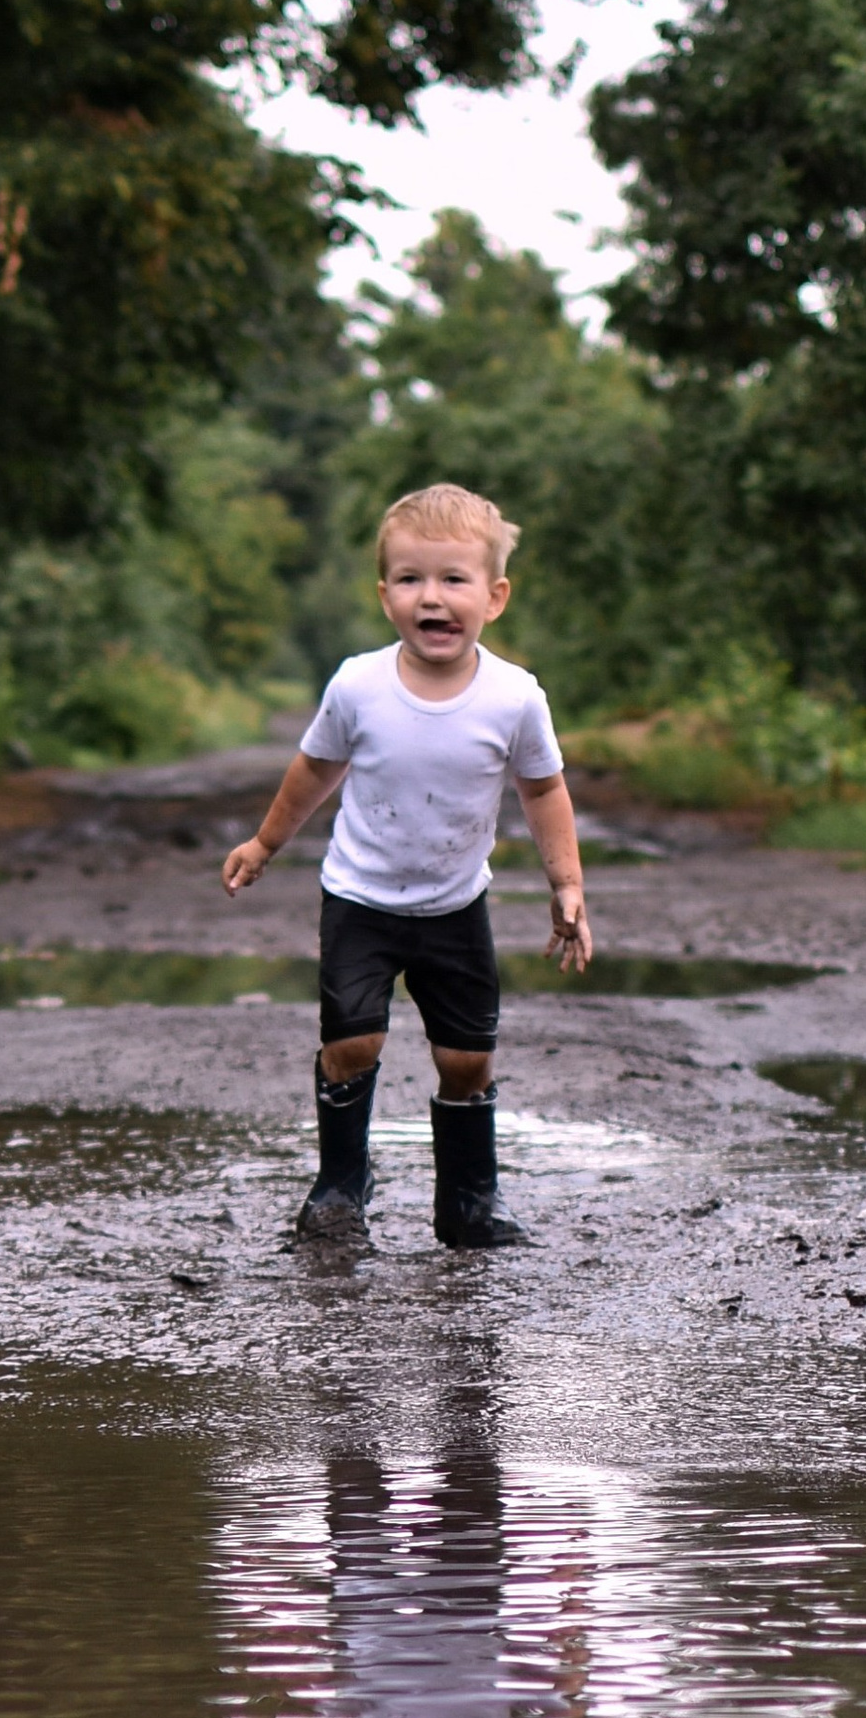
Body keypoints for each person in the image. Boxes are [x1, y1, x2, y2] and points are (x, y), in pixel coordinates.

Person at [221, 482, 592, 1248]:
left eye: (454, 580)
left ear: (494, 597)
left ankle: (468, 1200)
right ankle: (338, 1189)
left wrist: (568, 884)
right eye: (412, 579)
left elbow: (543, 788)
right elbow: (314, 769)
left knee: (467, 1060)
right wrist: (264, 844)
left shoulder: (514, 696)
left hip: (455, 907)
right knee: (354, 1041)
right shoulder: (358, 685)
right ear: (384, 594)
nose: (434, 598)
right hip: (360, 899)